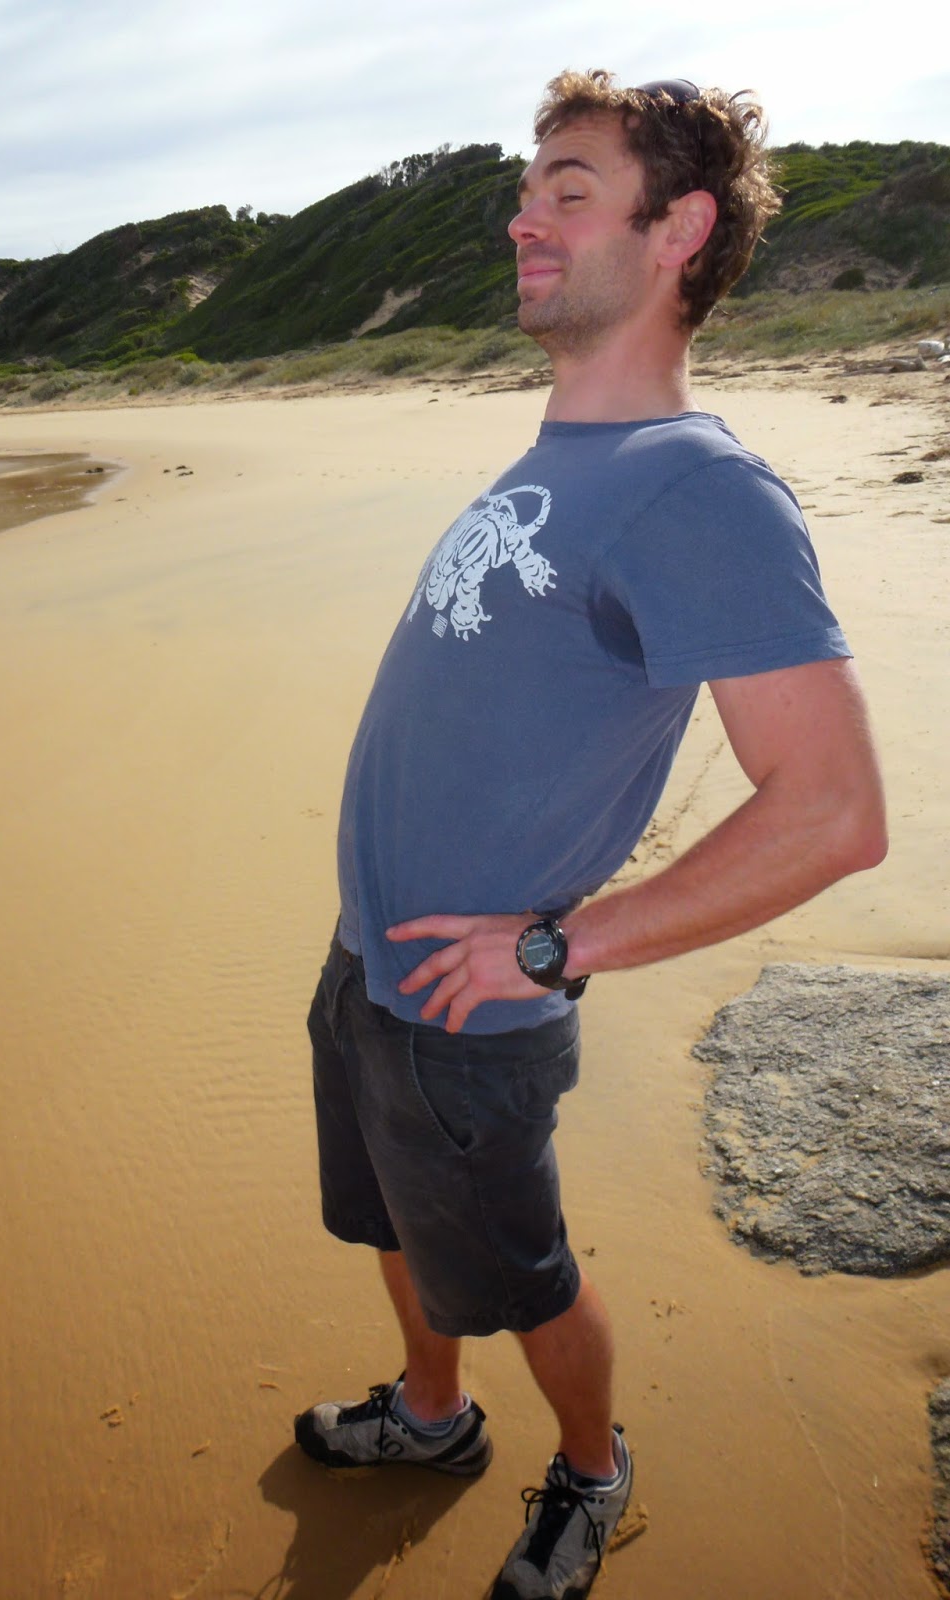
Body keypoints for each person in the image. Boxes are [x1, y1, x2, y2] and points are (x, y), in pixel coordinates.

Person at [295, 69, 887, 1600]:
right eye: (528, 190)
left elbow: (833, 811)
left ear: (677, 229)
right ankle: (433, 1417)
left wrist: (561, 948)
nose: (524, 218)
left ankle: (591, 1473)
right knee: (390, 1221)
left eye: (570, 190)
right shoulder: (568, 456)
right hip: (370, 965)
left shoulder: (701, 491)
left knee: (525, 1276)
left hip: (474, 1013)